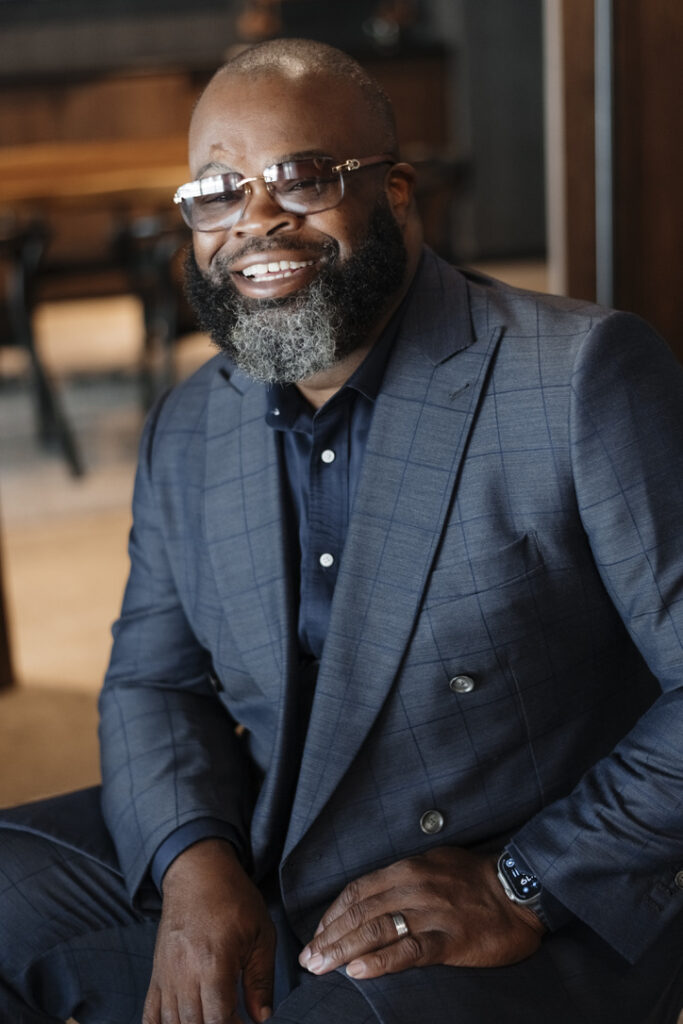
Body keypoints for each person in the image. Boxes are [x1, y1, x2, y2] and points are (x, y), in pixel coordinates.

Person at [1, 37, 682, 1024]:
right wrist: (193, 863)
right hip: (270, 838)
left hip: (517, 880)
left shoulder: (578, 377)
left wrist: (523, 881)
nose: (255, 220)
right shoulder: (189, 422)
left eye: (302, 177)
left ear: (395, 192)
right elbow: (154, 682)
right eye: (218, 192)